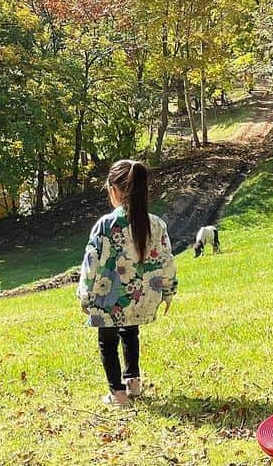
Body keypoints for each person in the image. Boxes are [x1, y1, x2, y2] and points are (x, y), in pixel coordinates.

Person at [77, 159, 177, 407]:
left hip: (109, 300)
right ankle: (133, 383)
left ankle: (117, 394)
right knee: (130, 332)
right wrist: (168, 292)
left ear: (115, 190)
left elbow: (91, 264)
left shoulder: (106, 225)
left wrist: (85, 296)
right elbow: (167, 261)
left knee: (107, 341)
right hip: (140, 298)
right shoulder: (156, 224)